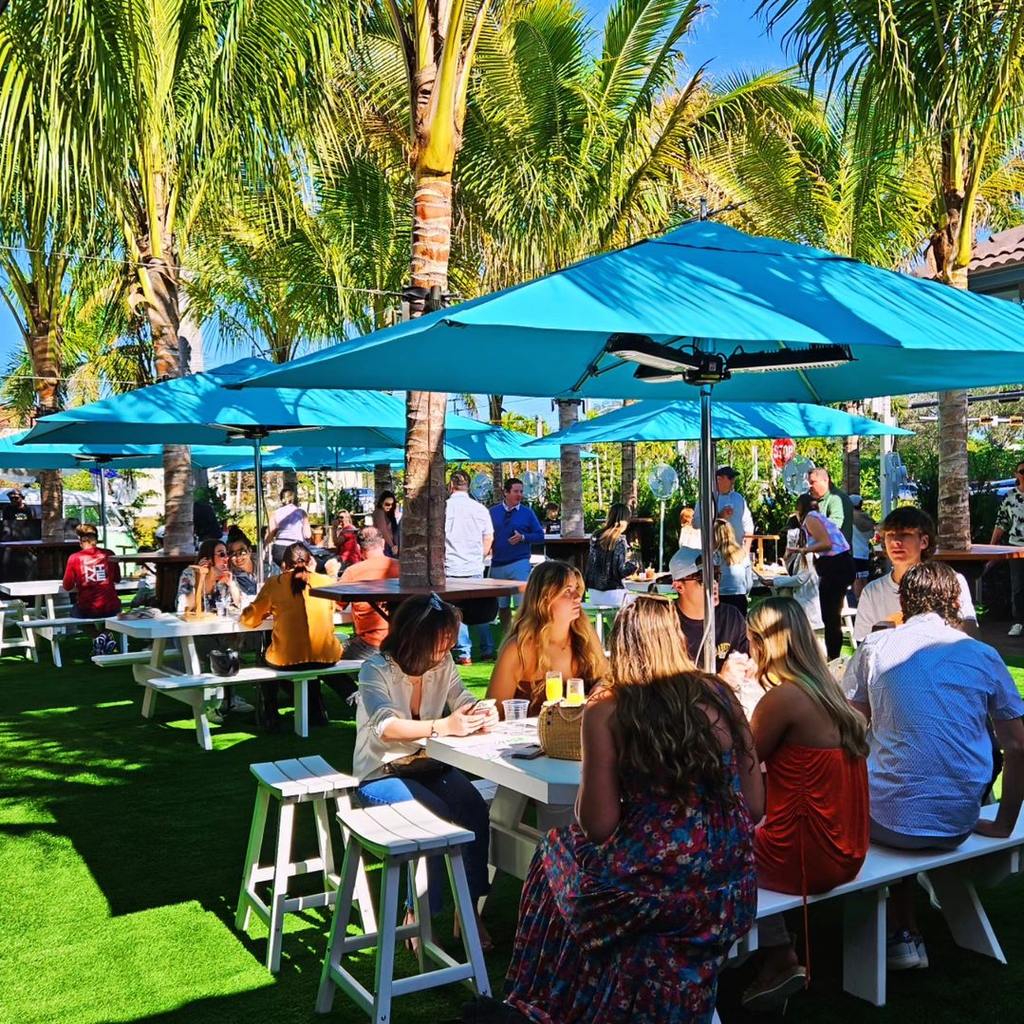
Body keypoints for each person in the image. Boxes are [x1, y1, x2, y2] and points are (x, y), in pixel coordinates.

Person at [502, 597, 762, 1023]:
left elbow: (599, 826)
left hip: (658, 891)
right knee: (576, 869)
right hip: (731, 887)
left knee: (554, 853)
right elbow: (754, 806)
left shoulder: (608, 709)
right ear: (677, 638)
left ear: (620, 647)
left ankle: (555, 1000)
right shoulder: (720, 694)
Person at [847, 562, 1024, 970]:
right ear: (956, 604)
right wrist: (1003, 823)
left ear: (903, 602)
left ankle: (900, 928)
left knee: (883, 778)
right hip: (959, 820)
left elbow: (849, 733)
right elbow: (1017, 747)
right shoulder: (983, 655)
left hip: (885, 820)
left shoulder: (875, 648)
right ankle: (906, 924)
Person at [737, 598, 870, 1012]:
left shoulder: (783, 700)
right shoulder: (828, 690)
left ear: (762, 642)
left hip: (805, 857)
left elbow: (740, 767)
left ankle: (776, 954)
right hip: (848, 848)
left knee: (713, 847)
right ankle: (768, 947)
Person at [354, 594, 497, 943]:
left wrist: (479, 711)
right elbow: (386, 726)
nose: (448, 646)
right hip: (381, 771)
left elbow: (461, 698)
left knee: (474, 810)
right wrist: (443, 727)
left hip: (429, 765)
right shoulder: (376, 669)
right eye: (443, 639)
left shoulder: (441, 663)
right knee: (432, 817)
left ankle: (469, 909)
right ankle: (418, 911)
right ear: (416, 637)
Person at [487, 560, 609, 716]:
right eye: (567, 591)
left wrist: (601, 686)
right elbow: (494, 712)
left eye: (577, 589)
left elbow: (609, 679)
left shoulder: (585, 638)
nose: (578, 597)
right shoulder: (519, 649)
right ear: (544, 598)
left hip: (581, 737)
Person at [240, 542, 339, 729]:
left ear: (283, 565)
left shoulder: (275, 584)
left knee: (265, 655)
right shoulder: (326, 581)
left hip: (290, 660)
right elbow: (337, 607)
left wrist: (269, 610)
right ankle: (315, 710)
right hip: (327, 656)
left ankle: (270, 715)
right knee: (298, 651)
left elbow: (249, 619)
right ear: (311, 562)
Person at [855, 506, 976, 641]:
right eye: (890, 535)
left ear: (924, 541)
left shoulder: (952, 582)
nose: (896, 542)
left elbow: (970, 636)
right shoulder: (872, 592)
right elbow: (863, 644)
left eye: (905, 534)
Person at [792, 492, 853, 659]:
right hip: (841, 564)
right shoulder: (818, 517)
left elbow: (826, 543)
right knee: (832, 617)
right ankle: (833, 655)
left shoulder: (810, 518)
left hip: (836, 566)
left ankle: (833, 657)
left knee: (831, 618)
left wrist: (805, 550)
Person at [669, 546, 749, 669]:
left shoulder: (731, 617)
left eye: (716, 576)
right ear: (679, 587)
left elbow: (748, 662)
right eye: (702, 579)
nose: (714, 583)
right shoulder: (665, 622)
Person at [445, 469, 495, 664]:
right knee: (480, 609)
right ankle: (487, 648)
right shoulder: (480, 509)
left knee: (456, 610)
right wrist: (480, 555)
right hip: (474, 566)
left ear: (451, 485)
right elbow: (489, 536)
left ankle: (464, 652)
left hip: (451, 566)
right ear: (469, 485)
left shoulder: (444, 508)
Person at [335, 527, 400, 660]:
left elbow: (335, 606)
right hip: (402, 641)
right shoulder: (402, 568)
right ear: (382, 543)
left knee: (324, 655)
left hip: (370, 644)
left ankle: (347, 682)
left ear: (358, 548)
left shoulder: (352, 572)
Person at [489, 478, 545, 632]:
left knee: (522, 605)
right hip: (497, 564)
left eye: (521, 491)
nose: (519, 495)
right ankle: (507, 637)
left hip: (519, 563)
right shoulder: (492, 512)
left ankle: (523, 635)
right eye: (516, 491)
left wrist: (523, 537)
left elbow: (540, 536)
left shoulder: (527, 513)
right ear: (506, 492)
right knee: (502, 606)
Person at [62, 524, 122, 656]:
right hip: (111, 606)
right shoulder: (109, 554)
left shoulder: (74, 558)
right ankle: (105, 635)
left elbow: (67, 586)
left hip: (87, 608)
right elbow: (117, 578)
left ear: (80, 541)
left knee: (74, 613)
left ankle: (97, 637)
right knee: (118, 612)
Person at [990, 458, 1024, 636]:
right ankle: (1018, 622)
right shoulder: (1010, 496)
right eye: (1022, 471)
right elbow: (1001, 523)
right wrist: (991, 548)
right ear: (1016, 474)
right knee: (1018, 586)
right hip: (1016, 547)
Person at [584, 502, 639, 608]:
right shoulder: (619, 540)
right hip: (613, 592)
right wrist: (634, 565)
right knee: (640, 602)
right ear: (625, 520)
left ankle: (613, 625)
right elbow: (621, 570)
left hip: (593, 592)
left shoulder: (595, 536)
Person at [176, 538, 243, 616]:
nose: (226, 558)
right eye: (222, 554)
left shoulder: (227, 575)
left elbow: (240, 604)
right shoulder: (190, 574)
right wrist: (202, 579)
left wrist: (231, 585)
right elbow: (183, 607)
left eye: (227, 554)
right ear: (208, 558)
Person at [693, 466, 754, 551]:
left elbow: (748, 525)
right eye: (730, 478)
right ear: (719, 479)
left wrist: (746, 549)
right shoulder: (706, 500)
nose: (733, 481)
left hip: (738, 554)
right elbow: (696, 523)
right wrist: (719, 517)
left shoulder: (738, 498)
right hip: (715, 554)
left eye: (733, 478)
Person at [714, 516, 752, 615]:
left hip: (719, 597)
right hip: (739, 597)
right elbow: (749, 583)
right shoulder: (743, 554)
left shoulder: (714, 556)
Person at [807, 467, 853, 546]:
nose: (809, 486)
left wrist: (810, 526)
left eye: (812, 482)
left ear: (825, 480)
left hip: (836, 555)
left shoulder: (836, 498)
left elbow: (834, 525)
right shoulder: (819, 499)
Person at [265, 488, 311, 566]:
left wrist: (265, 545)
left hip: (280, 547)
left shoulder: (275, 513)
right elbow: (308, 535)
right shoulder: (301, 513)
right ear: (294, 498)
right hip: (296, 547)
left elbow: (271, 533)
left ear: (281, 499)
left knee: (280, 571)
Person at [850, 494, 876, 599]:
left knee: (856, 578)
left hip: (854, 553)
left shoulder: (849, 518)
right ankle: (865, 599)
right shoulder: (867, 519)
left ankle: (857, 601)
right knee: (864, 578)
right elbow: (871, 535)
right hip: (865, 553)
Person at [372, 491, 400, 557]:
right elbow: (383, 530)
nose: (390, 506)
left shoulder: (387, 513)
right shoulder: (379, 512)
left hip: (389, 544)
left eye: (392, 504)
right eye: (387, 504)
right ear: (381, 502)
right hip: (385, 545)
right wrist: (392, 546)